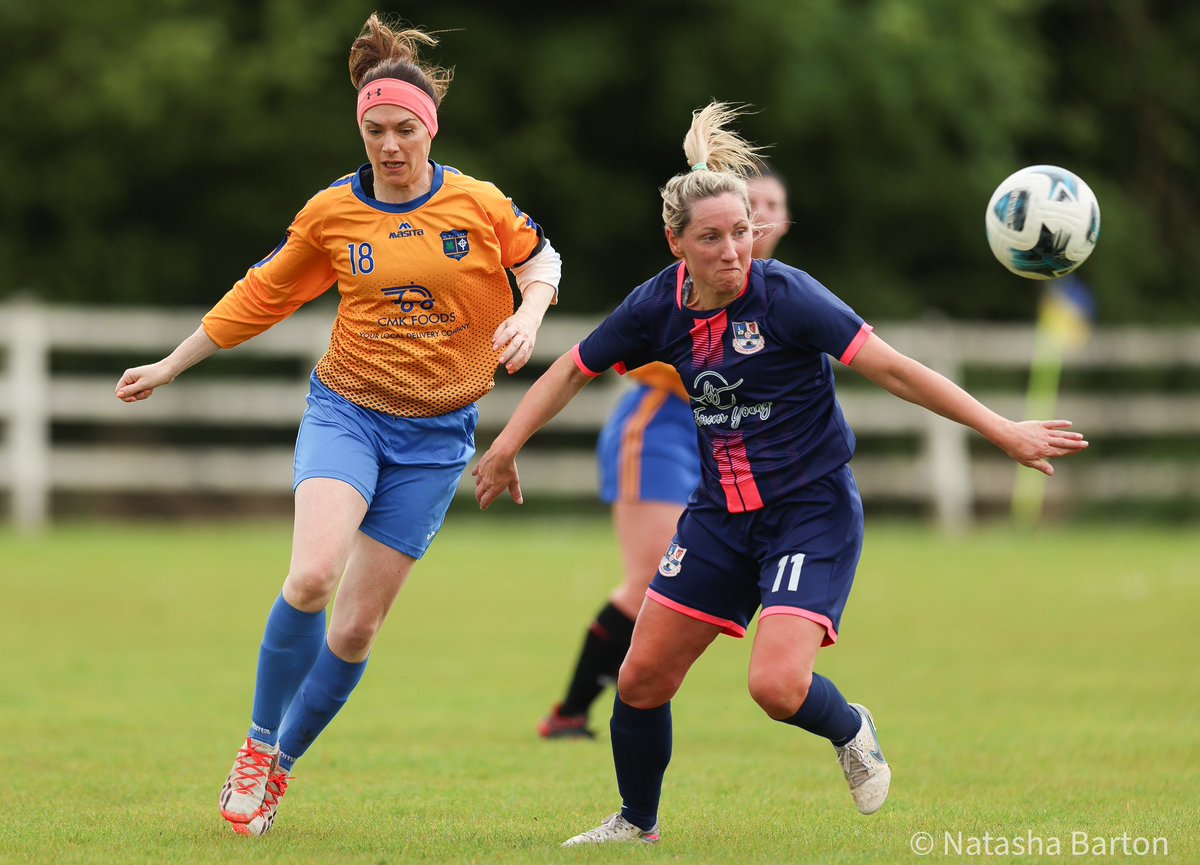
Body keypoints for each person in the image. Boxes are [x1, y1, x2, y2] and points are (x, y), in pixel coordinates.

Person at [473, 102, 1087, 845]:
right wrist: (506, 444)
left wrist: (1002, 429)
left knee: (776, 686)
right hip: (720, 517)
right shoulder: (654, 308)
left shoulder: (787, 295)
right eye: (713, 237)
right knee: (639, 681)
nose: (734, 250)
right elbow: (572, 370)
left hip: (811, 511)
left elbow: (892, 368)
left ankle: (852, 726)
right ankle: (637, 824)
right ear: (677, 244)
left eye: (743, 232)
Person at [114, 13, 561, 837]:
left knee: (356, 625)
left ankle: (281, 766)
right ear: (360, 128)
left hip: (436, 438)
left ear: (429, 129)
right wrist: (173, 364)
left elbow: (541, 258)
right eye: (374, 129)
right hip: (347, 413)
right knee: (313, 576)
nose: (389, 145)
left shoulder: (476, 203)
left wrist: (530, 312)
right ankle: (254, 744)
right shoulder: (333, 213)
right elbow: (262, 294)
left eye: (403, 129)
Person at [538, 171, 792, 739]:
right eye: (757, 201)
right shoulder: (687, 289)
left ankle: (579, 710)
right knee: (652, 578)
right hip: (658, 434)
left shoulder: (779, 292)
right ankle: (571, 711)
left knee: (672, 580)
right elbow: (634, 358)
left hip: (720, 450)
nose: (765, 212)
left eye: (774, 205)